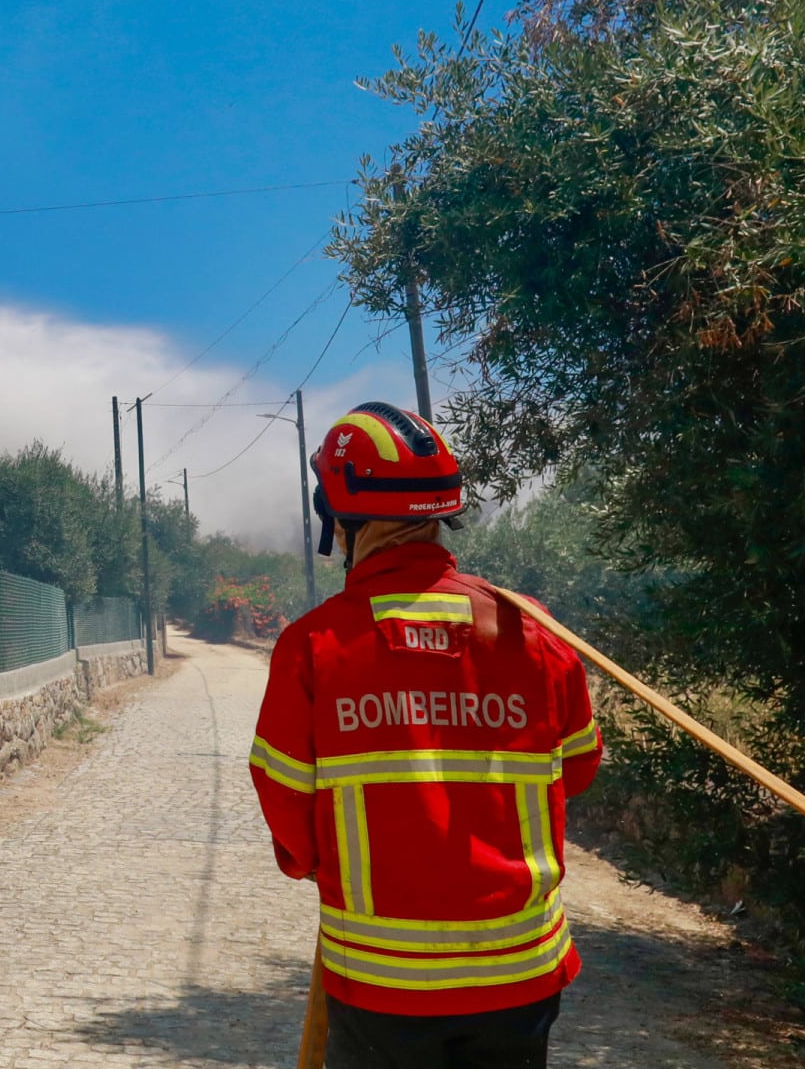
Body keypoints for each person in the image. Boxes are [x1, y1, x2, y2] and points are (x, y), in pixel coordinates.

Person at [250, 402, 603, 1068]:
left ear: (341, 520)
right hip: (522, 973)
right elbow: (578, 770)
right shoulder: (536, 633)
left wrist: (326, 862)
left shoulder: (315, 647)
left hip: (385, 983)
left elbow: (287, 805)